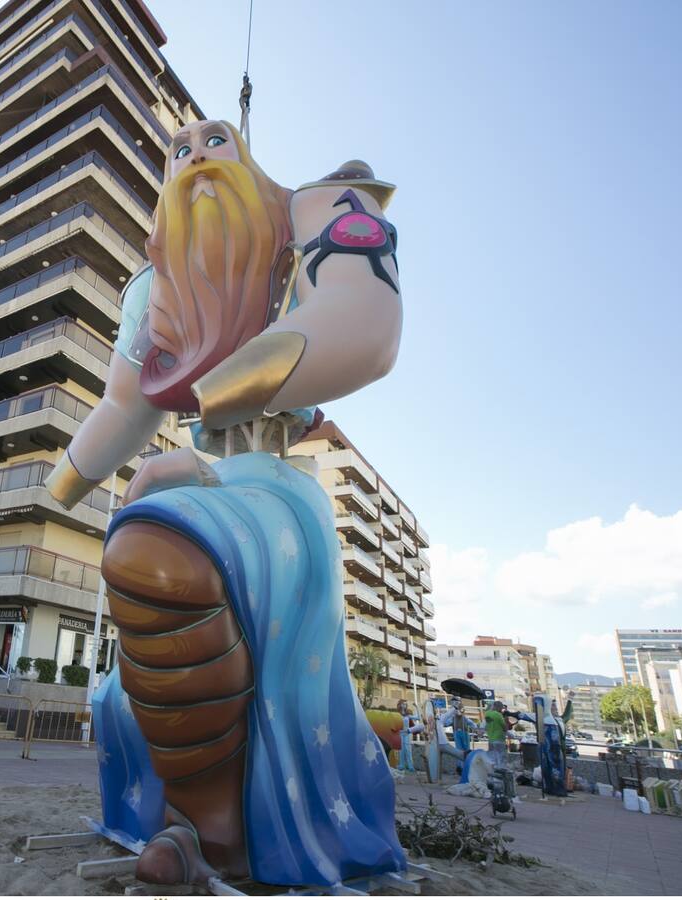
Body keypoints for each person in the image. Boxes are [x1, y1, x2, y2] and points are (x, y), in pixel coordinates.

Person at [48, 119, 403, 887]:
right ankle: (195, 816)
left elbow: (365, 326)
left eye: (217, 140)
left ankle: (212, 828)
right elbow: (125, 401)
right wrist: (59, 483)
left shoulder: (309, 215)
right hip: (207, 473)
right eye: (178, 149)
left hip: (276, 488)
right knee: (150, 507)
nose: (198, 154)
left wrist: (211, 387)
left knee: (161, 557)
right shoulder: (154, 284)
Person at [397, 700, 422, 773]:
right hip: (400, 733)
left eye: (405, 704)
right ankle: (401, 765)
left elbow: (418, 717)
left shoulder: (407, 715)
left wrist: (417, 707)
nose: (404, 706)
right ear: (400, 705)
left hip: (407, 734)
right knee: (401, 750)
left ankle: (410, 766)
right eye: (403, 704)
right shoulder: (397, 714)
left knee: (408, 750)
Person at [484, 701, 508, 768]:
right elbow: (505, 728)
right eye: (501, 708)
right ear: (498, 707)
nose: (501, 709)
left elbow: (487, 725)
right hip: (499, 739)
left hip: (491, 740)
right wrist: (506, 720)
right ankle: (500, 774)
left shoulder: (487, 714)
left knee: (492, 758)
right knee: (501, 759)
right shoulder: (498, 715)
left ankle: (493, 775)